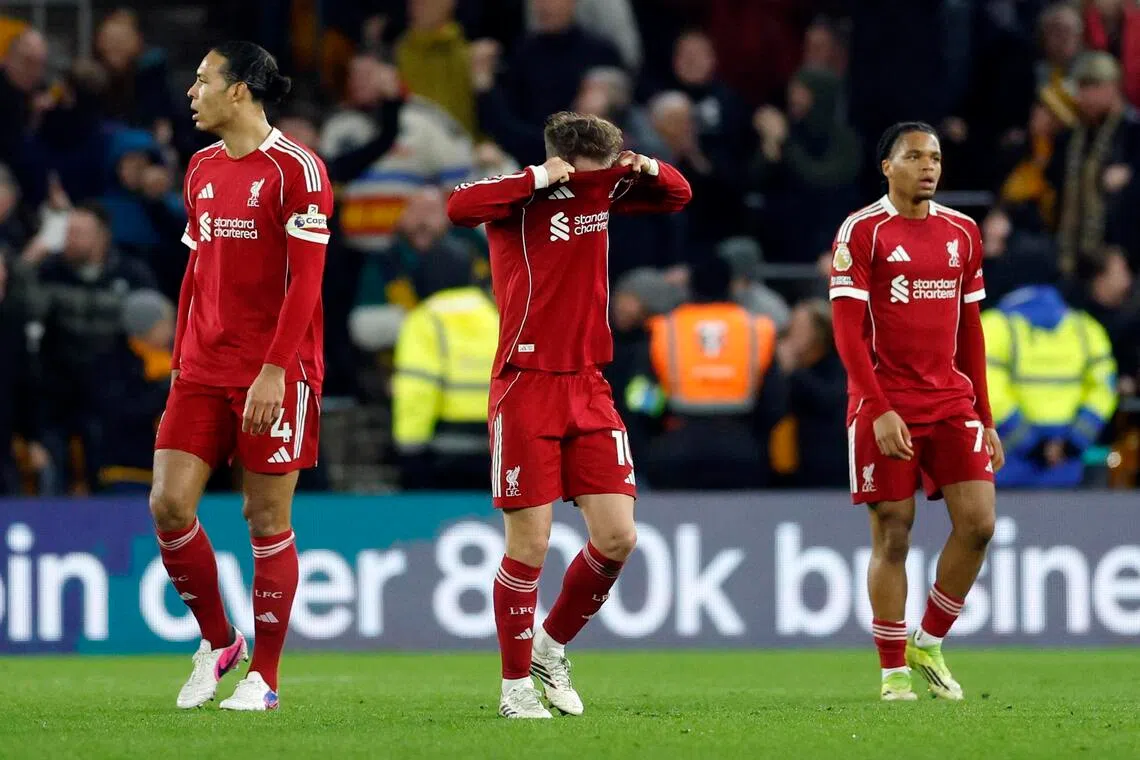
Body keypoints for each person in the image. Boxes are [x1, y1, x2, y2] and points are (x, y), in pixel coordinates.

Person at [447, 111, 690, 718]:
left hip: (589, 383)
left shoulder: (605, 187)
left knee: (618, 536)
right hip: (526, 385)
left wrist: (646, 166)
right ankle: (513, 688)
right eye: (597, 173)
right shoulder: (517, 200)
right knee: (529, 543)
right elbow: (457, 207)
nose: (603, 186)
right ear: (566, 162)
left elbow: (679, 194)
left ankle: (548, 647)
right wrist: (535, 177)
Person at [149, 41, 332, 713]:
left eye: (202, 81)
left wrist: (274, 372)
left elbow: (307, 285)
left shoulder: (298, 172)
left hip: (276, 374)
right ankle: (221, 640)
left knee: (265, 518)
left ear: (239, 92)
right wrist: (177, 366)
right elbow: (196, 274)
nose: (191, 93)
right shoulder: (198, 167)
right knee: (168, 506)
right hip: (201, 367)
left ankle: (267, 679)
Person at [828, 122, 1005, 702]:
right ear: (888, 166)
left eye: (934, 158)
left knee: (978, 524)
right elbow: (848, 334)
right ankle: (892, 672)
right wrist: (876, 408)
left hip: (951, 402)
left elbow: (970, 331)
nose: (928, 167)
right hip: (886, 403)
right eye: (914, 156)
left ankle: (927, 641)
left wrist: (985, 413)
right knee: (894, 533)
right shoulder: (863, 231)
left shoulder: (963, 231)